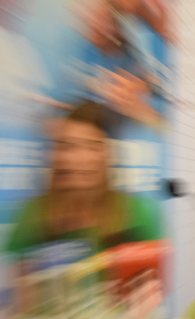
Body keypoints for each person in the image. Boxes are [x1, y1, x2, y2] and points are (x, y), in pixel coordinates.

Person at [5, 101, 163, 255]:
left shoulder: (137, 212)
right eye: (69, 146)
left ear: (109, 154)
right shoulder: (35, 212)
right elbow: (13, 267)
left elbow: (158, 265)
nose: (81, 158)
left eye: (93, 146)